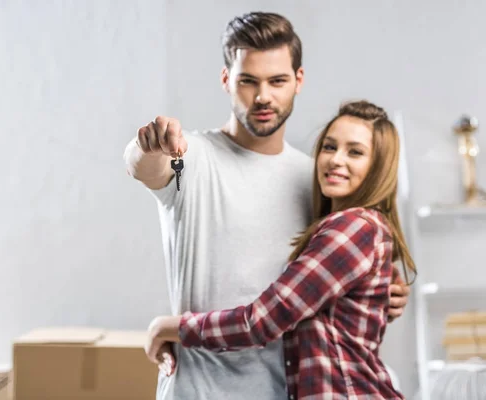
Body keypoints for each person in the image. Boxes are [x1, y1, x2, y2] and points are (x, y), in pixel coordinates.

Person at [123, 11, 410, 400]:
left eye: (277, 81)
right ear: (226, 80)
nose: (263, 96)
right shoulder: (192, 157)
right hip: (198, 389)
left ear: (298, 81)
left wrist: (383, 291)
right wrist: (148, 145)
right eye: (247, 81)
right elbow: (145, 166)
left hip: (283, 389)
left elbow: (337, 275)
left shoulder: (317, 180)